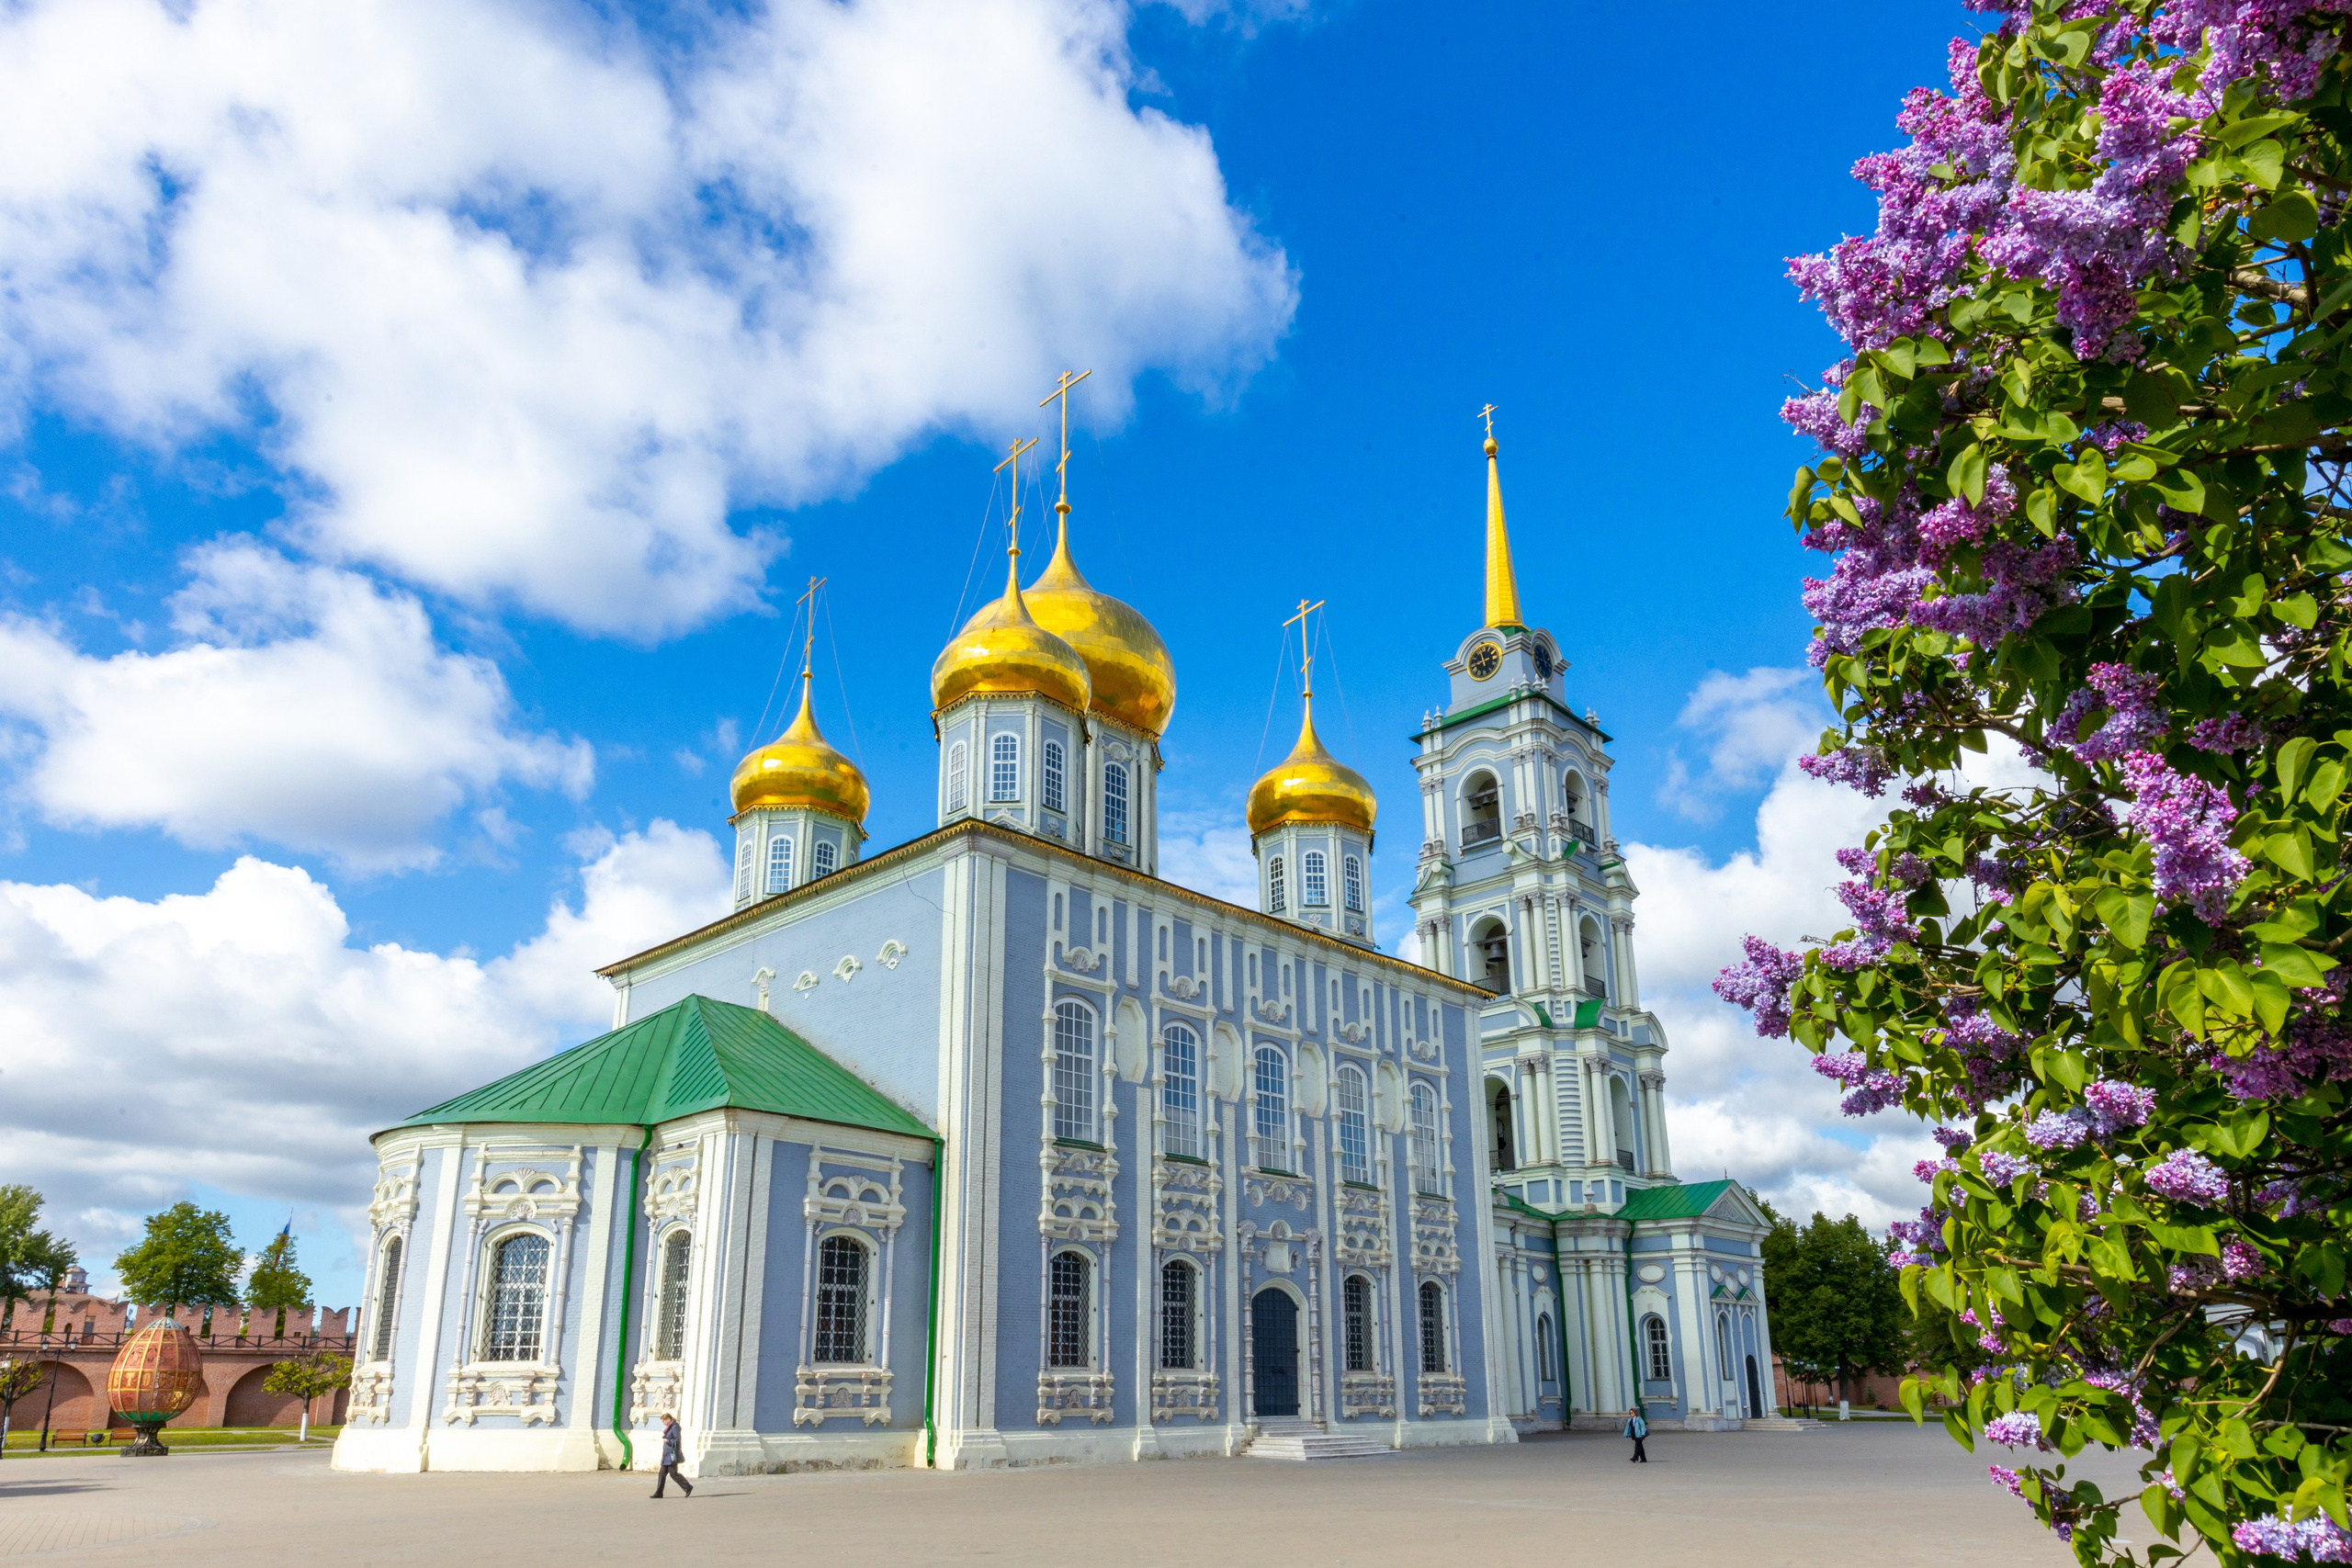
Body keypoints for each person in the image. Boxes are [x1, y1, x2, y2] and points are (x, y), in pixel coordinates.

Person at [651, 1412, 694, 1498]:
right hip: (666, 1455)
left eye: (664, 1421)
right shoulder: (669, 1428)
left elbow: (677, 1439)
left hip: (671, 1455)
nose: (663, 1423)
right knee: (662, 1474)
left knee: (673, 1474)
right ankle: (659, 1493)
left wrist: (668, 1441)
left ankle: (688, 1487)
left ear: (668, 1419)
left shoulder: (675, 1427)